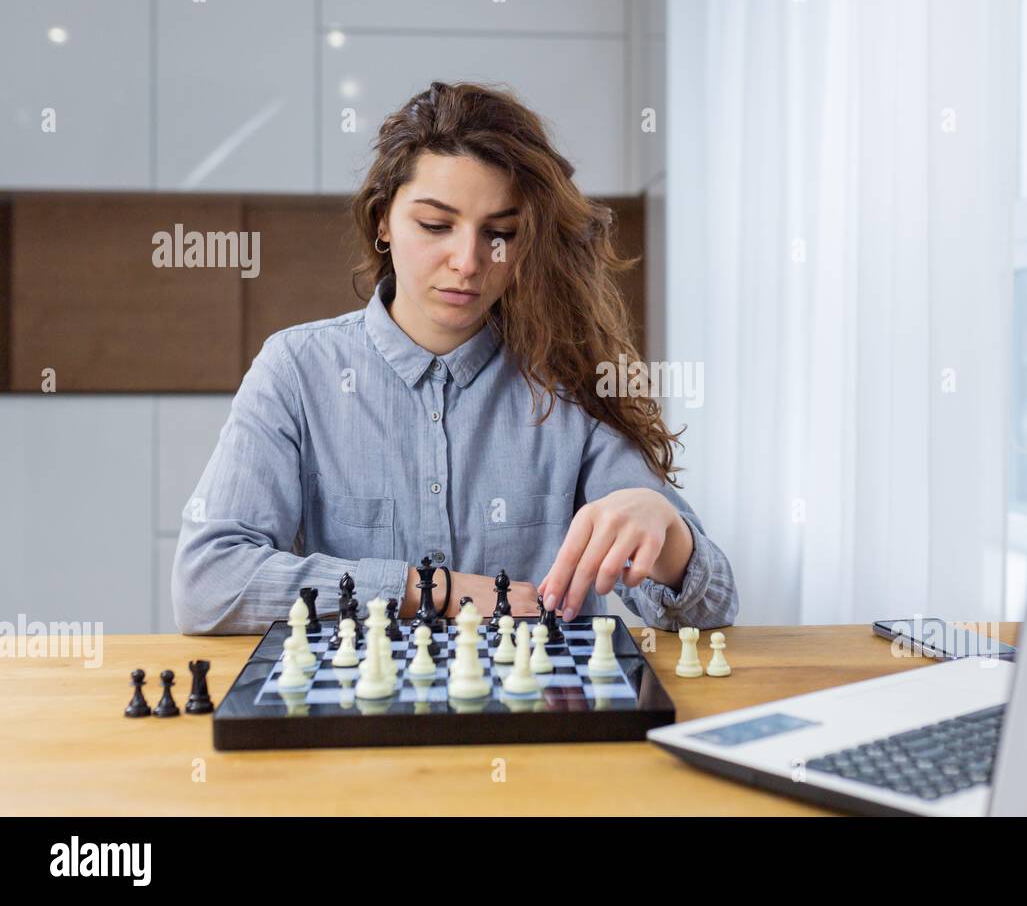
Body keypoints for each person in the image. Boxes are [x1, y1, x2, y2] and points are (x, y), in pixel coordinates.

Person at [171, 80, 738, 635]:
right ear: (382, 223)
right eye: (435, 225)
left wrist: (669, 540)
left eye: (500, 233)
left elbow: (708, 610)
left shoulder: (568, 378)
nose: (468, 261)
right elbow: (207, 584)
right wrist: (431, 590)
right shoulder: (296, 370)